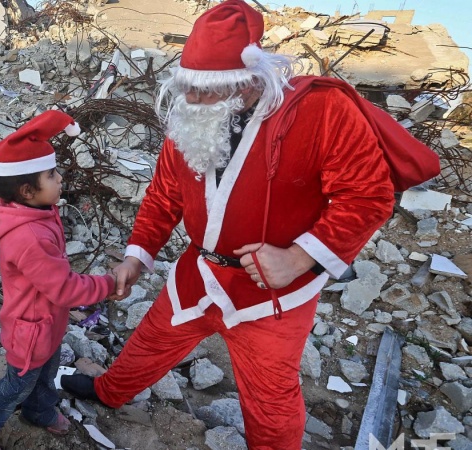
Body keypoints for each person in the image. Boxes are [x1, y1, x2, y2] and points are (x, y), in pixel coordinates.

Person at [60, 1, 395, 448]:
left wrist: (298, 258)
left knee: (272, 400)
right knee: (150, 341)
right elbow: (165, 195)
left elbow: (368, 194)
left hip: (274, 294)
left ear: (249, 80)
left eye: (206, 89)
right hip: (197, 273)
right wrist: (136, 257)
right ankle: (109, 391)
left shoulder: (322, 109)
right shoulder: (193, 118)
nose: (192, 101)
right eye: (188, 88)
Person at [0, 110, 117, 450]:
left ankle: (40, 412)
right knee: (17, 385)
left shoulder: (37, 211)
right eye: (52, 173)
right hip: (30, 330)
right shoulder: (28, 236)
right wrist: (109, 283)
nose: (60, 178)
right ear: (28, 190)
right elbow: (65, 288)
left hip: (47, 322)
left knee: (46, 372)